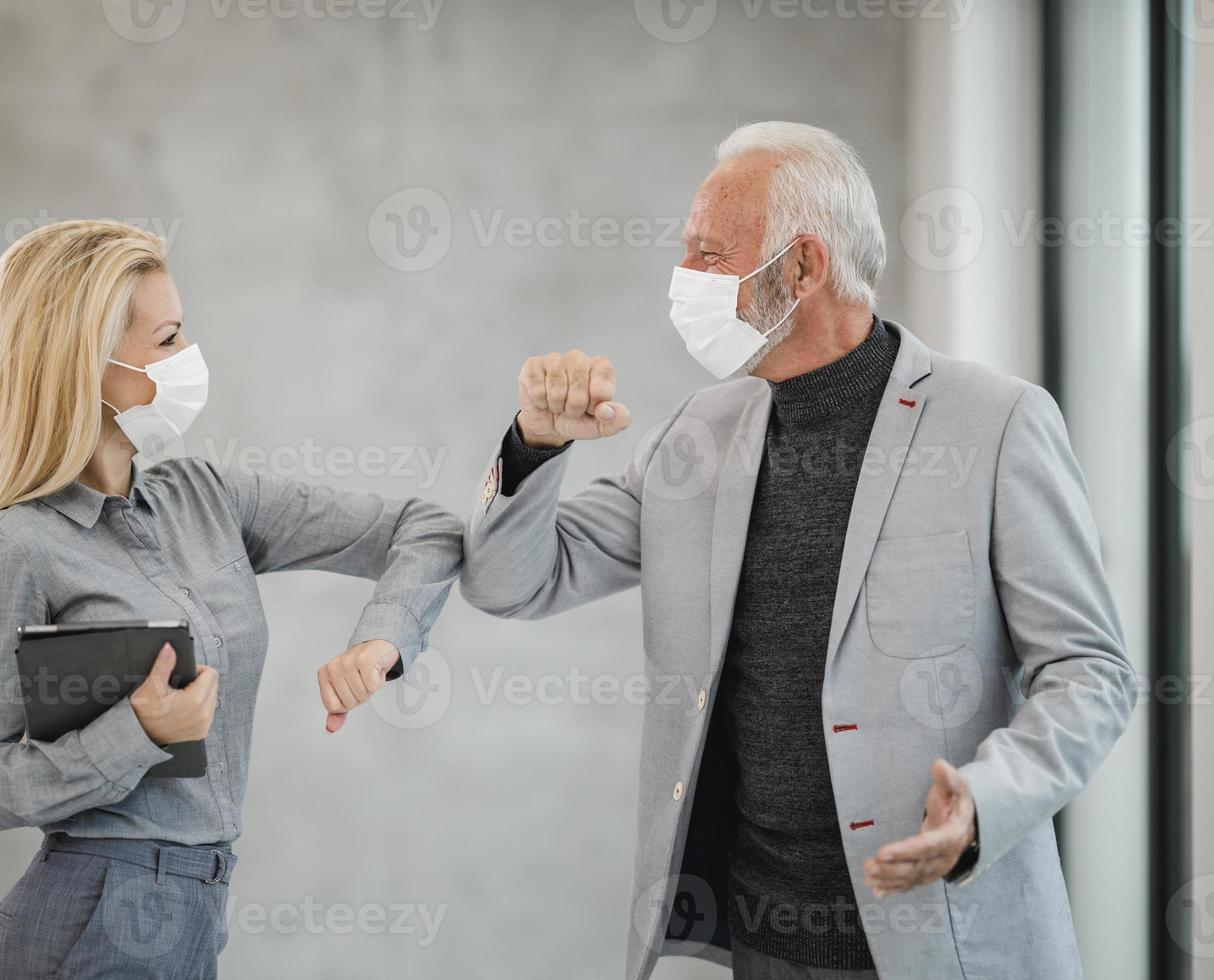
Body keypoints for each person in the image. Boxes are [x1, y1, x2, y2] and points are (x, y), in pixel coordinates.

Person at [459, 121, 1135, 980]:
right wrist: (533, 449)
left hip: (951, 943)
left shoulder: (997, 424)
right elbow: (514, 582)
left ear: (804, 267)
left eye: (708, 254)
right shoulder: (693, 435)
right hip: (766, 946)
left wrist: (988, 801)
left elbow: (1091, 671)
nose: (683, 281)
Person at [0, 219, 462, 979]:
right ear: (87, 363)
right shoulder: (12, 549)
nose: (190, 361)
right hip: (88, 925)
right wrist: (137, 732)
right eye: (169, 340)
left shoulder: (206, 497)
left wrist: (385, 643)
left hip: (196, 913)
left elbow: (425, 529)